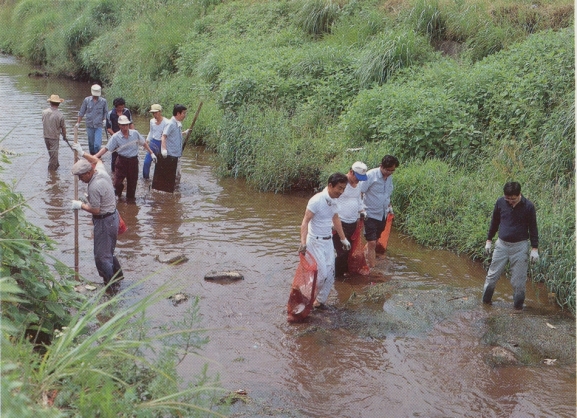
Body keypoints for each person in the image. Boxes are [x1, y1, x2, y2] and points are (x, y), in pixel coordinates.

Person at [70, 143, 123, 292]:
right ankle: (118, 278)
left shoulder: (94, 186)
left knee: (101, 257)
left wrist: (80, 205)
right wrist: (82, 153)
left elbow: (96, 210)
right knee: (108, 252)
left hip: (105, 222)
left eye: (81, 177)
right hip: (113, 218)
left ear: (88, 173)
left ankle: (110, 287)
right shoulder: (100, 172)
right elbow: (97, 160)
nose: (80, 180)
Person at [482, 182, 539, 310]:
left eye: (513, 199)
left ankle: (517, 310)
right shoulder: (501, 202)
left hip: (520, 248)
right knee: (491, 276)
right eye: (508, 199)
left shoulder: (528, 206)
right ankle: (485, 305)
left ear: (519, 195)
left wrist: (534, 248)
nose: (510, 202)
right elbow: (494, 222)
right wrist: (489, 240)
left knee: (519, 282)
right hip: (501, 246)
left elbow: (533, 228)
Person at [299, 173, 350, 309]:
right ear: (330, 185)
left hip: (328, 241)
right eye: (339, 188)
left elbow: (336, 219)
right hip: (315, 241)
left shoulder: (334, 200)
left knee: (330, 275)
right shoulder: (316, 200)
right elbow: (305, 222)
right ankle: (308, 300)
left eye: (343, 189)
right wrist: (303, 243)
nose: (341, 192)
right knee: (321, 276)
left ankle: (319, 302)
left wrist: (343, 239)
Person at [94, 115, 156, 200]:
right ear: (119, 125)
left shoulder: (135, 133)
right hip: (121, 161)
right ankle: (118, 194)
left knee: (132, 184)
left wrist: (151, 153)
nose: (125, 127)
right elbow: (106, 148)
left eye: (126, 125)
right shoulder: (116, 137)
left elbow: (144, 143)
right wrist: (95, 157)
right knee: (117, 183)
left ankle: (130, 203)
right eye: (123, 125)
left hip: (133, 161)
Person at [360, 155, 400, 270]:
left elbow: (387, 195)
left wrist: (389, 207)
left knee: (376, 240)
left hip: (383, 214)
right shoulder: (370, 175)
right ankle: (372, 268)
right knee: (372, 242)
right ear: (381, 166)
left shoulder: (389, 178)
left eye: (392, 170)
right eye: (387, 170)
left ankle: (365, 255)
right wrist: (361, 209)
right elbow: (360, 192)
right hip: (369, 213)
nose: (389, 173)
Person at [332, 161, 368, 277]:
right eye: (357, 178)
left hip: (353, 222)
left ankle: (344, 273)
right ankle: (337, 277)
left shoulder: (358, 185)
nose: (359, 181)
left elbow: (358, 200)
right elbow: (329, 199)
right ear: (351, 172)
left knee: (349, 251)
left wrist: (362, 210)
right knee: (341, 252)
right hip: (339, 222)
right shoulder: (340, 183)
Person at [160, 104, 190, 182]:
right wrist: (164, 150)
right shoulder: (171, 124)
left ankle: (176, 191)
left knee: (177, 176)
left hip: (177, 155)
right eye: (183, 113)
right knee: (171, 176)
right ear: (178, 114)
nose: (184, 115)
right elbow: (163, 136)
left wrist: (185, 133)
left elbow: (175, 135)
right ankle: (172, 192)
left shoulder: (178, 124)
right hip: (171, 155)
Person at [75, 84, 108, 155]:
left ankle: (97, 157)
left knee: (97, 145)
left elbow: (105, 112)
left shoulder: (103, 101)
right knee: (91, 145)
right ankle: (92, 157)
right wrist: (78, 123)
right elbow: (82, 112)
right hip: (89, 125)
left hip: (98, 125)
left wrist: (105, 120)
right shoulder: (87, 100)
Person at [106, 97, 134, 173]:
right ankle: (114, 173)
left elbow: (131, 123)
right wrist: (116, 136)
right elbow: (108, 128)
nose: (121, 109)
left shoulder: (127, 112)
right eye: (119, 107)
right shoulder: (110, 114)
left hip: (126, 137)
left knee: (126, 154)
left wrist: (132, 134)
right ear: (116, 107)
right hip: (115, 137)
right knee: (114, 156)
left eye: (122, 107)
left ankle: (125, 172)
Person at [42, 94, 67, 171]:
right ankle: (51, 174)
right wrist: (64, 136)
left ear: (50, 103)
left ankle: (56, 168)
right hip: (54, 138)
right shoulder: (60, 115)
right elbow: (63, 128)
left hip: (46, 137)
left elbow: (44, 122)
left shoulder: (44, 112)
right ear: (59, 104)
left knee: (52, 156)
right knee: (53, 158)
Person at [142, 104, 168, 180]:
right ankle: (145, 179)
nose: (154, 115)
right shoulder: (152, 121)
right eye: (153, 113)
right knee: (146, 162)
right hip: (153, 143)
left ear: (160, 112)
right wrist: (146, 141)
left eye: (156, 113)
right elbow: (151, 132)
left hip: (162, 144)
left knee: (161, 164)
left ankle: (159, 181)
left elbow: (167, 135)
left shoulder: (166, 122)